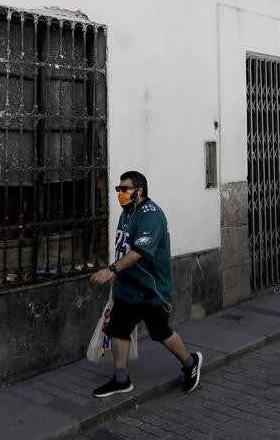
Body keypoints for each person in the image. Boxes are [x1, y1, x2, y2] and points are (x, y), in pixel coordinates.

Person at [90, 171, 203, 398]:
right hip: (128, 287)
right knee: (118, 330)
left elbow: (139, 251)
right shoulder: (127, 213)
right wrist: (118, 273)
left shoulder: (152, 216)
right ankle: (121, 379)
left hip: (152, 290)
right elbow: (124, 247)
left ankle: (190, 363)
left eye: (124, 189)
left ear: (138, 191)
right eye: (118, 190)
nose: (120, 194)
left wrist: (112, 269)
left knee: (160, 332)